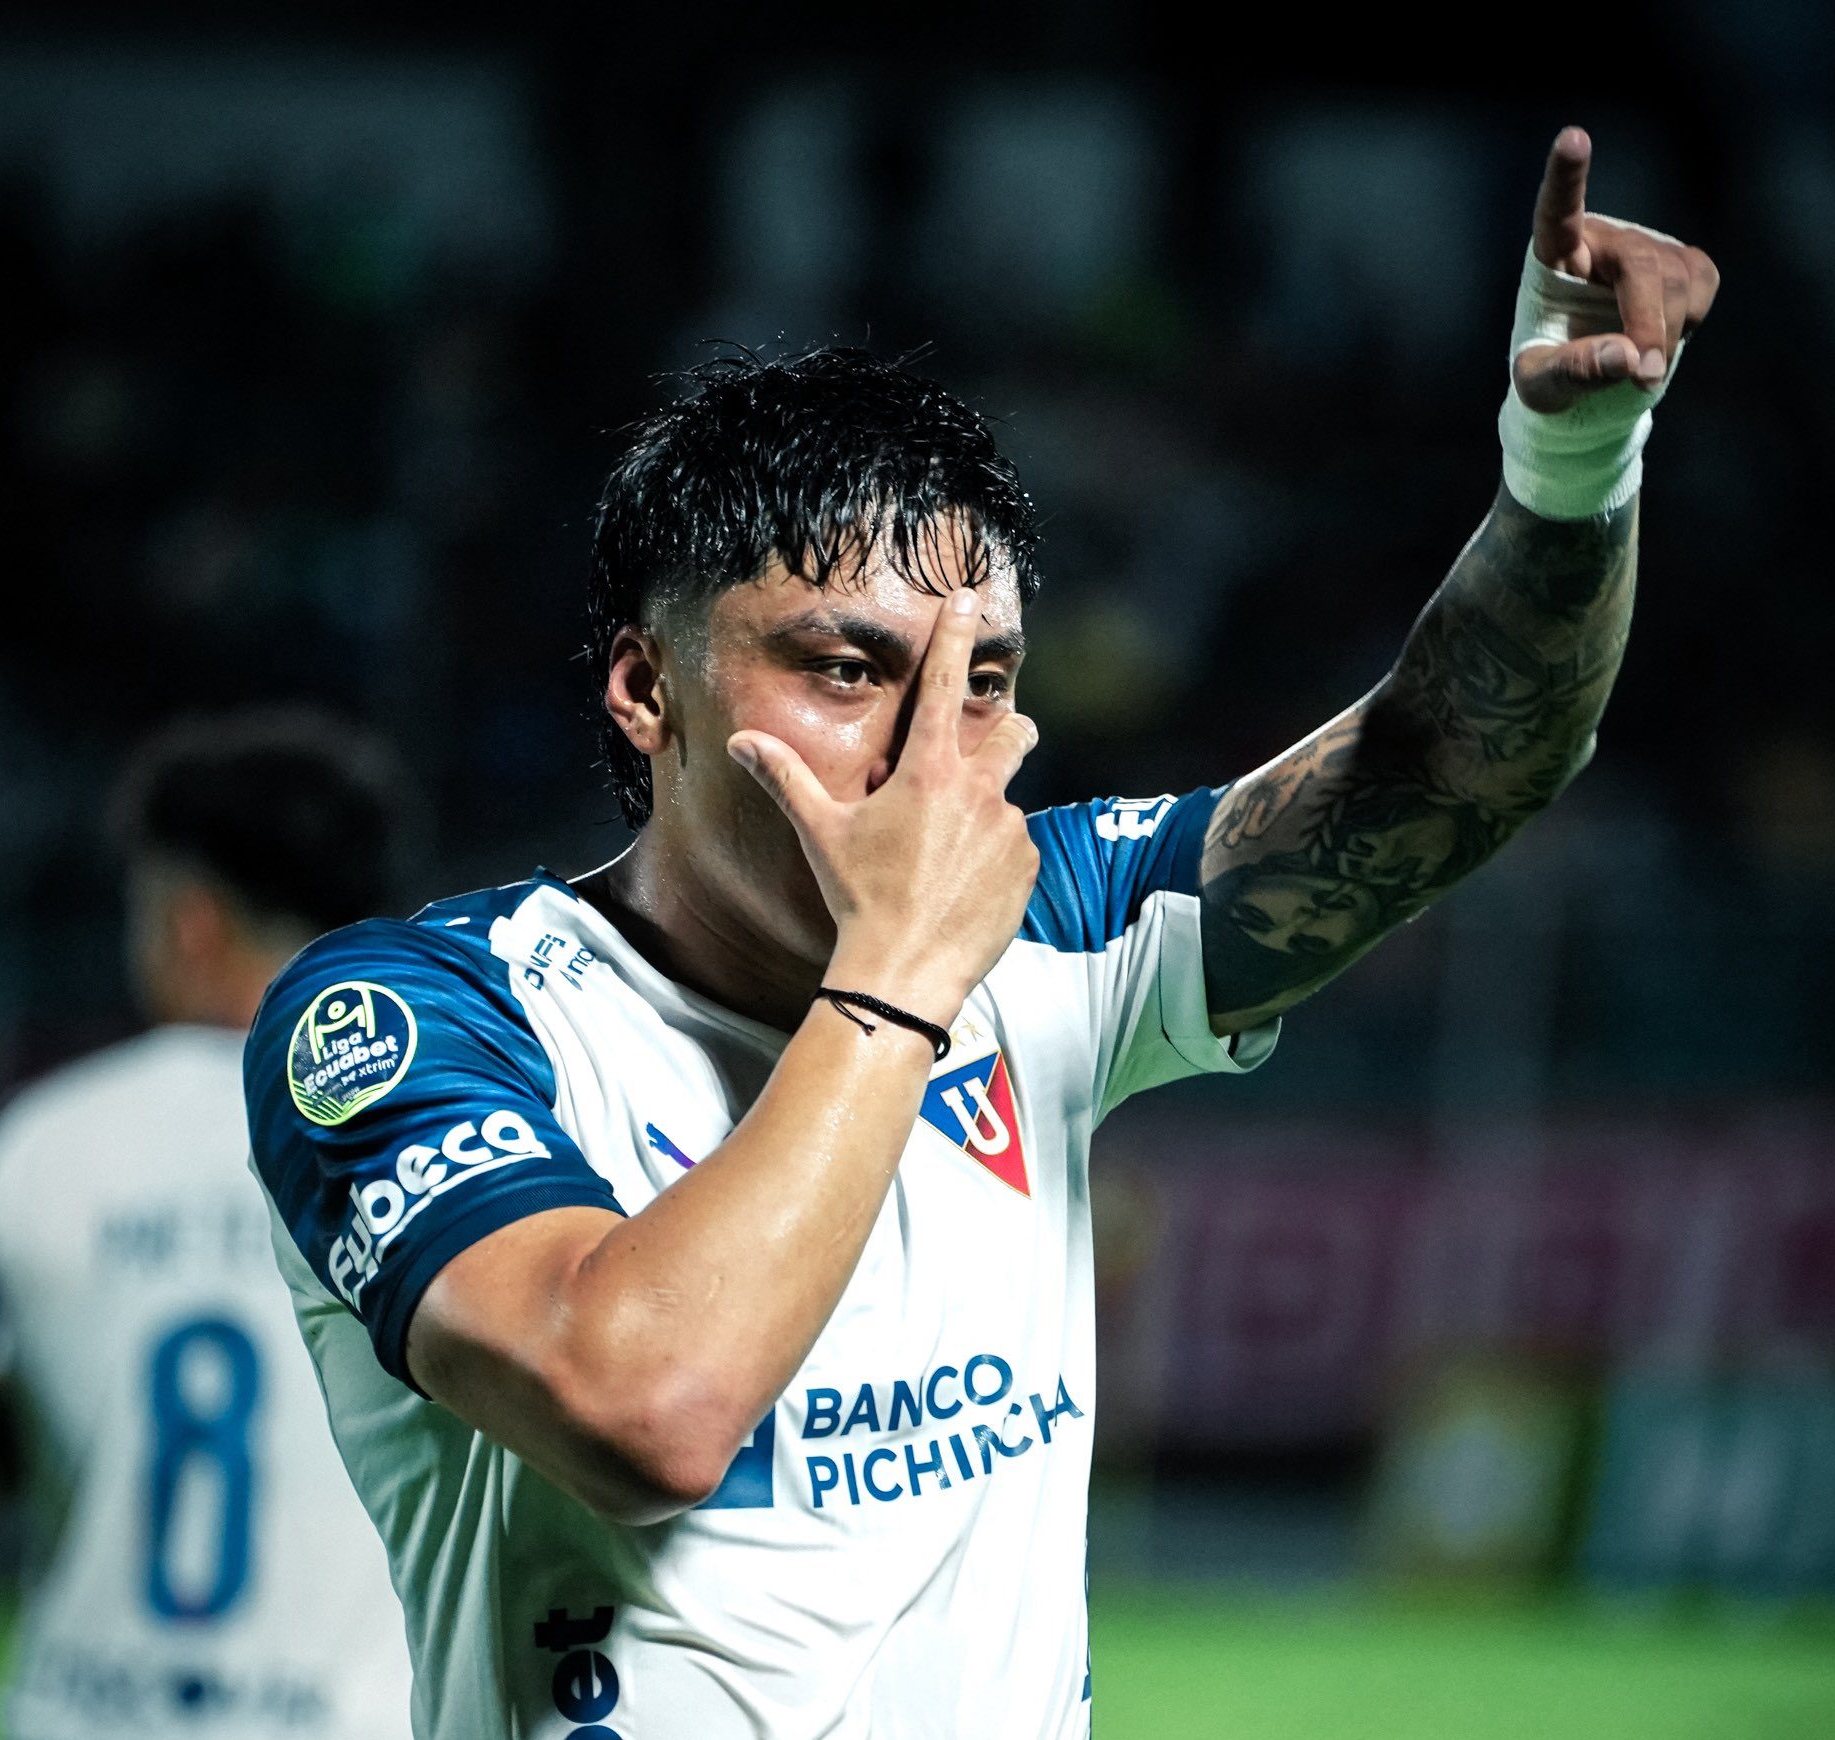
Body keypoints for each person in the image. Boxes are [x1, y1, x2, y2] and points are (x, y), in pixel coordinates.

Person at [242, 130, 1717, 1738]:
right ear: (645, 687)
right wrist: (893, 978)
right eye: (848, 668)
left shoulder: (1059, 929)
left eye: (990, 682)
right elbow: (645, 1404)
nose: (928, 755)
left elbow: (1453, 763)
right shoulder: (415, 1017)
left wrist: (1571, 470)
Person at [0, 712, 416, 1739]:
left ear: (190, 922)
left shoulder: (46, 1143)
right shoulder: (437, 1138)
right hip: (350, 1720)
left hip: (85, 1714)